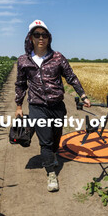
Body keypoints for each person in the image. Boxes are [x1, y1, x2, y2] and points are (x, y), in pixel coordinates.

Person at [15, 19, 91, 192]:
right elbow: (20, 84)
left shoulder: (58, 57)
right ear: (31, 38)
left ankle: (52, 155)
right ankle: (51, 173)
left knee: (56, 139)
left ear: (49, 38)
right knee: (46, 141)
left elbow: (71, 77)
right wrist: (19, 106)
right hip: (37, 106)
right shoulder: (23, 60)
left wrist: (83, 95)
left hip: (57, 106)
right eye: (37, 35)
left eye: (44, 35)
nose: (41, 38)